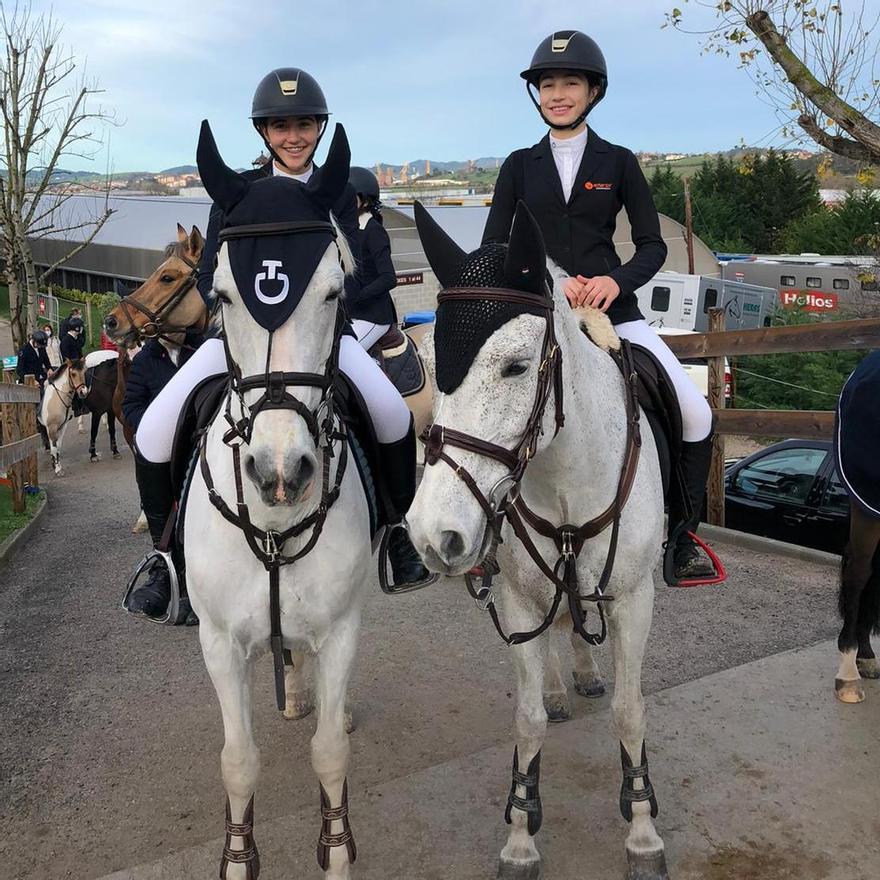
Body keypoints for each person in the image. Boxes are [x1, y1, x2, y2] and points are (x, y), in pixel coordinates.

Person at [128, 67, 429, 625]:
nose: (294, 136)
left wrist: (325, 308)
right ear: (264, 132)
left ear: (319, 127)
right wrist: (232, 313)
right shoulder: (234, 192)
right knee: (153, 431)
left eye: (305, 125)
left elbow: (355, 272)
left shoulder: (337, 193)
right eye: (281, 126)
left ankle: (396, 533)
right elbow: (206, 274)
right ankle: (165, 559)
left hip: (322, 343)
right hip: (240, 342)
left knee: (390, 414)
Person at [483, 30, 715, 580]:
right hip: (541, 311)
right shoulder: (518, 165)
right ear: (536, 94)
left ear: (592, 92)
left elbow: (653, 243)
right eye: (547, 85)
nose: (557, 94)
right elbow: (494, 245)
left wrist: (613, 282)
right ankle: (488, 534)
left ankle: (681, 538)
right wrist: (550, 281)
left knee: (696, 411)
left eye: (569, 84)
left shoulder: (620, 162)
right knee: (491, 404)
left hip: (615, 314)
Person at [345, 166, 398, 349]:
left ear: (365, 201)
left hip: (373, 316)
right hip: (350, 314)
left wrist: (357, 296)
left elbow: (389, 277)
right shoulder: (346, 229)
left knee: (341, 354)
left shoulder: (373, 231)